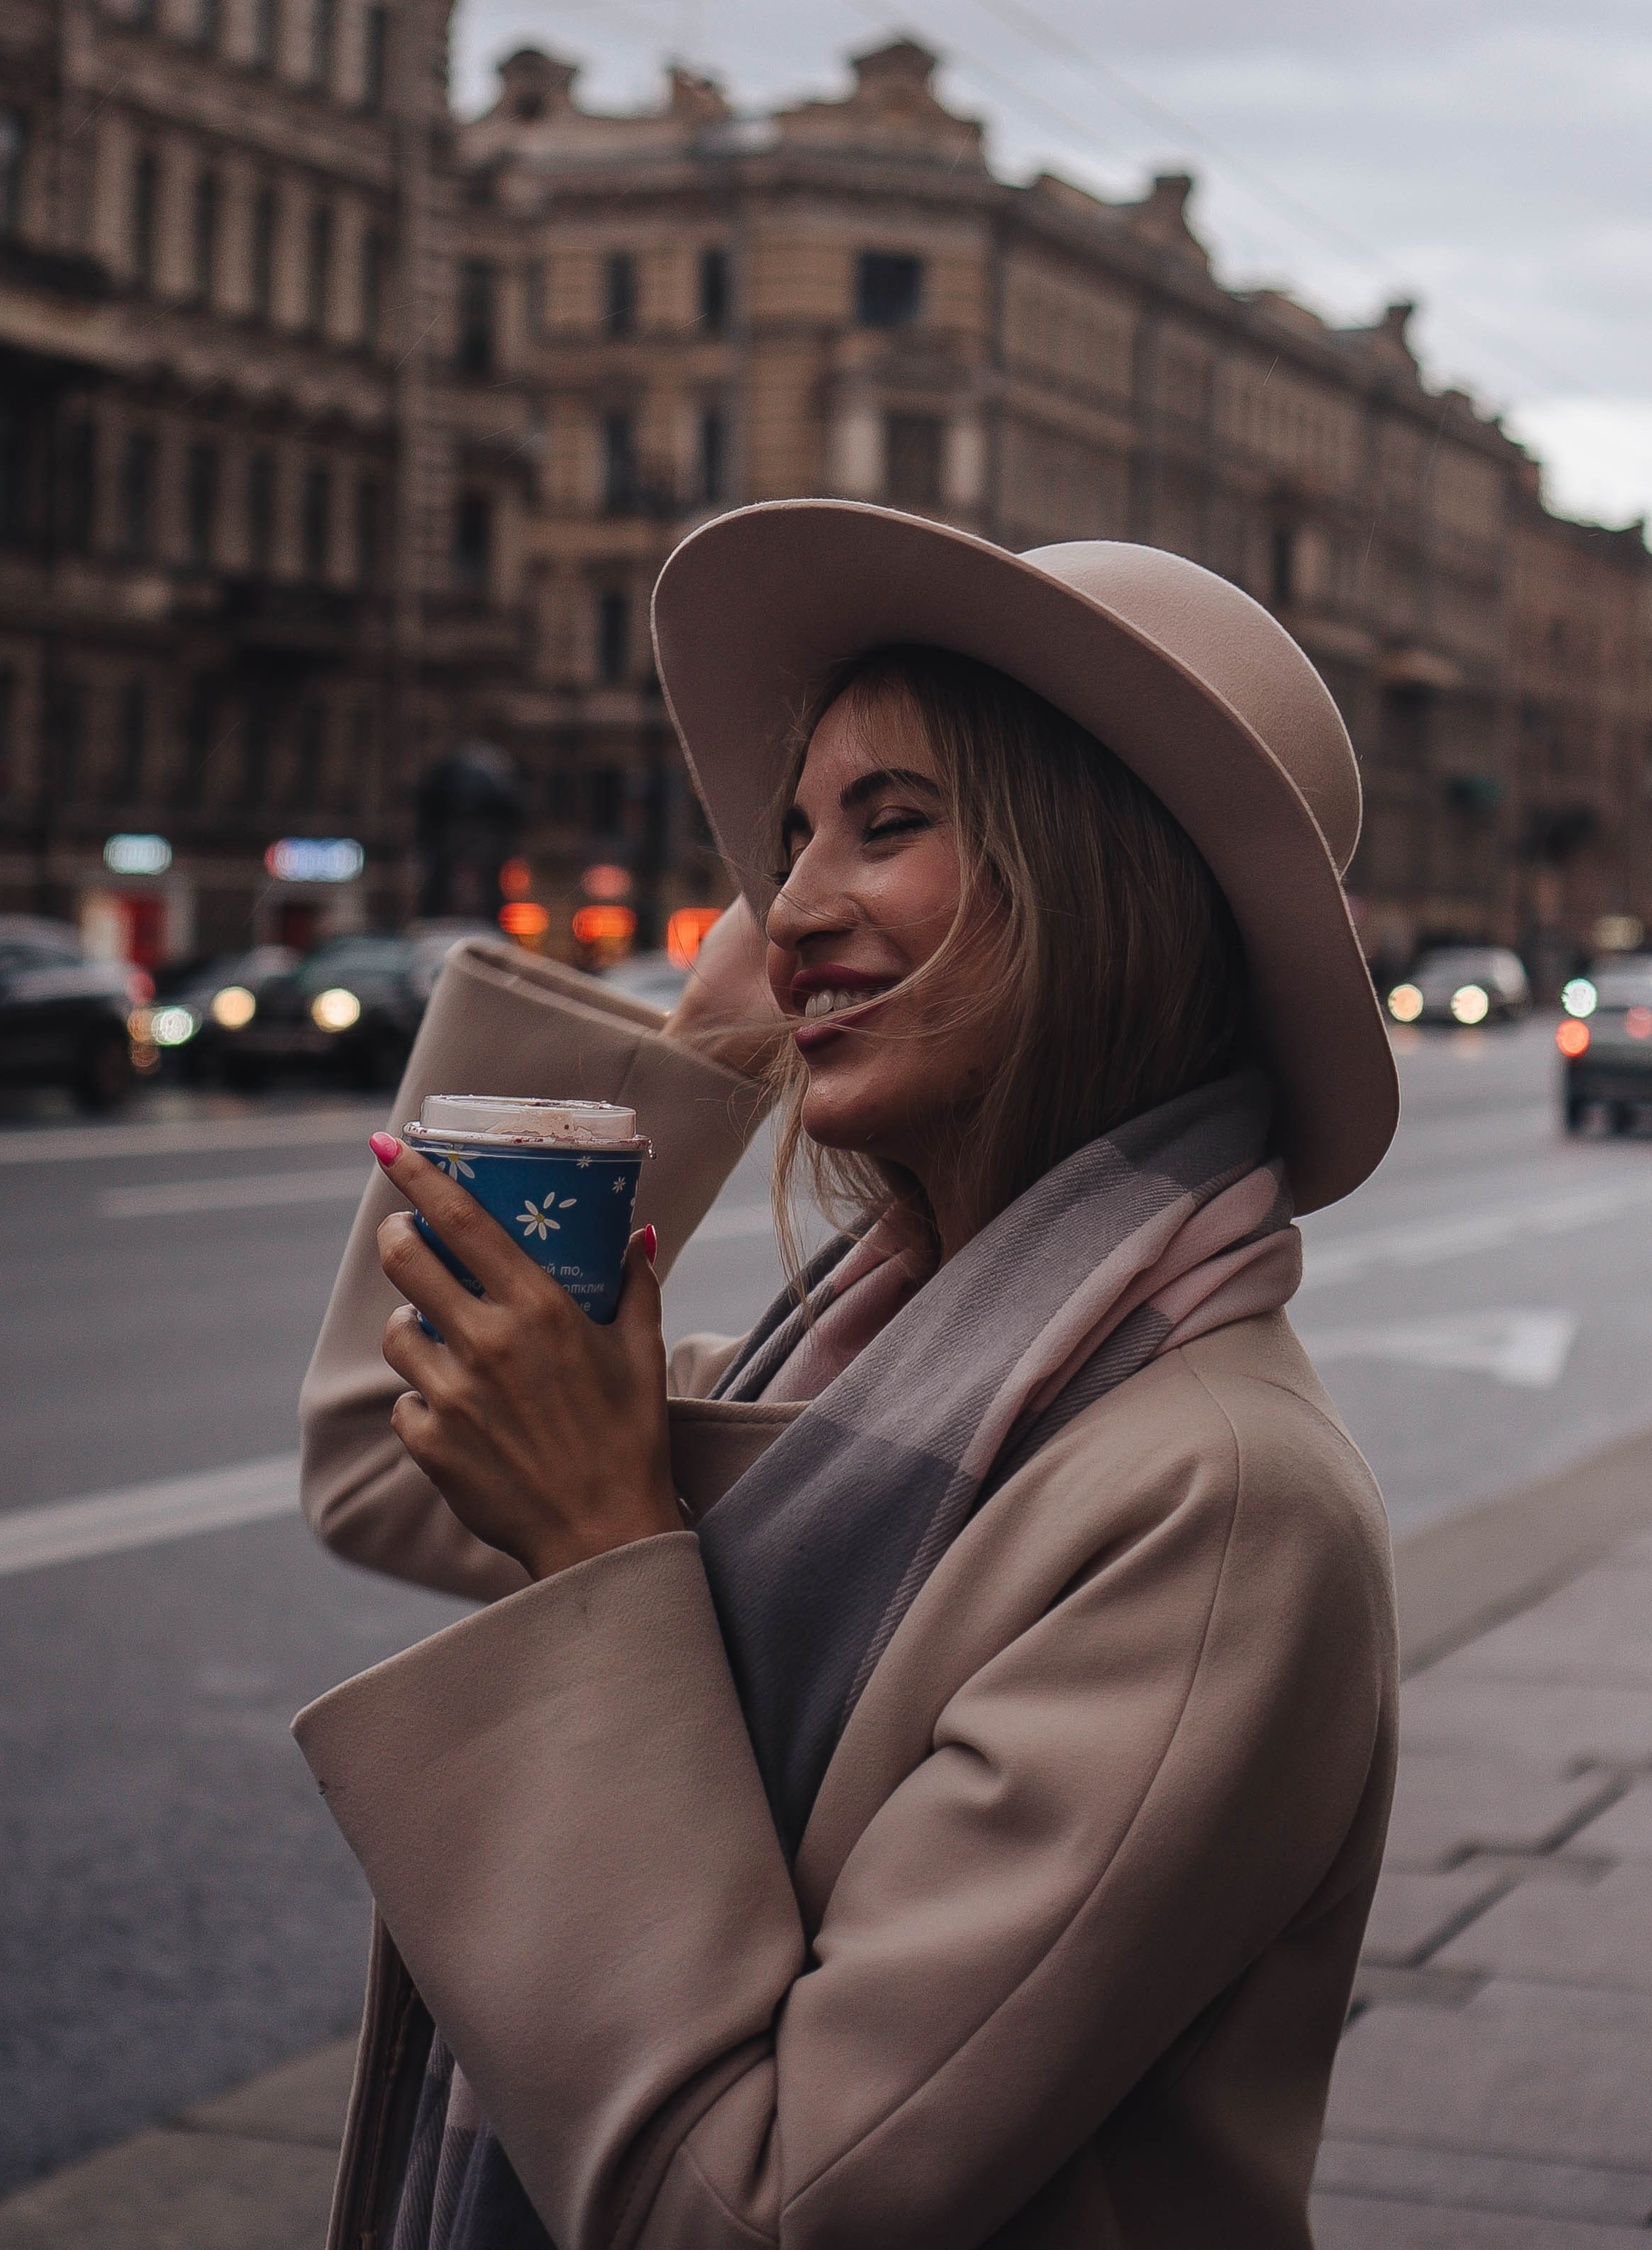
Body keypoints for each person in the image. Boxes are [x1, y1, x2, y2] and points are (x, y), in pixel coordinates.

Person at [294, 501, 1401, 2250]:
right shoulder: (869, 1384)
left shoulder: (1212, 1499)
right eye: (786, 838)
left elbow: (766, 2210)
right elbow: (382, 1447)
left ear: (1106, 883)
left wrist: (601, 1553)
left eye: (888, 825)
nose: (789, 898)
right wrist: (731, 1018)